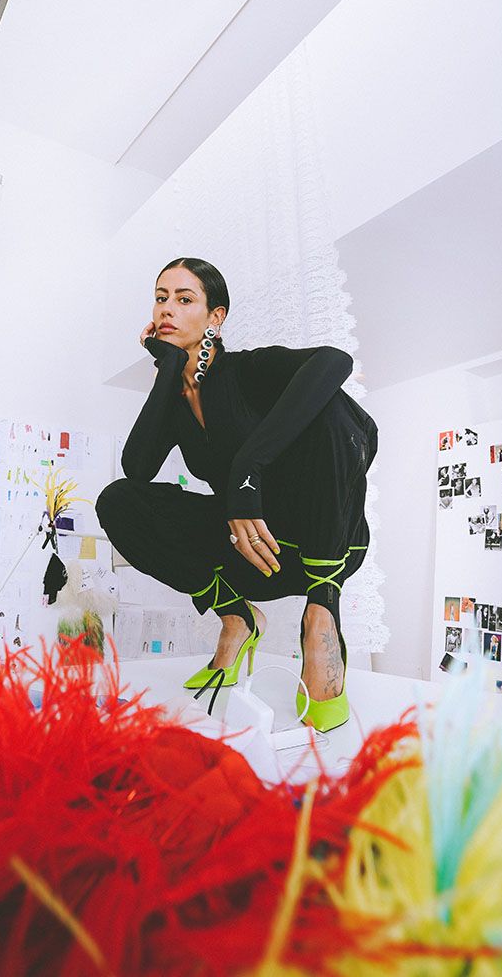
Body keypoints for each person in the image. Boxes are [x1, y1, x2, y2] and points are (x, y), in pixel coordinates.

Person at [95, 258, 378, 732]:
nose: (167, 309)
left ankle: (322, 613)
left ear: (215, 318)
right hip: (250, 552)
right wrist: (168, 369)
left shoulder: (249, 370)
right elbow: (136, 469)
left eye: (184, 299)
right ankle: (237, 618)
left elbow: (335, 360)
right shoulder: (176, 401)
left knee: (330, 406)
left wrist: (249, 469)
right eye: (161, 298)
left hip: (324, 540)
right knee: (118, 501)